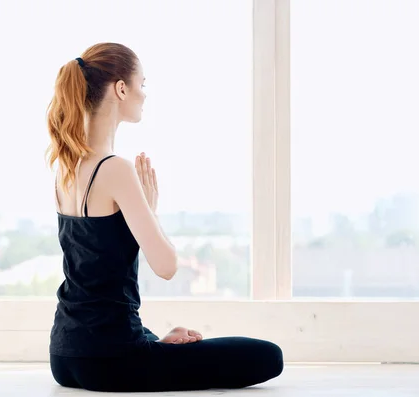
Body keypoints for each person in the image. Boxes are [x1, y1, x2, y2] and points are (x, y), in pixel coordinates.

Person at [46, 42, 283, 392]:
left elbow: (98, 271)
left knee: (173, 346)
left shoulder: (67, 169)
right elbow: (167, 266)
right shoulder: (116, 169)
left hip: (64, 357)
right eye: (142, 83)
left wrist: (155, 343)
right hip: (112, 361)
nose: (144, 94)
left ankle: (156, 345)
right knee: (268, 356)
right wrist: (151, 212)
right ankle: (151, 348)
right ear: (121, 88)